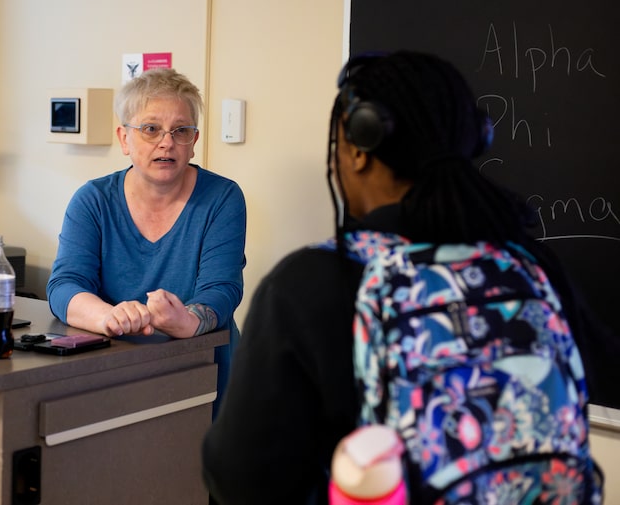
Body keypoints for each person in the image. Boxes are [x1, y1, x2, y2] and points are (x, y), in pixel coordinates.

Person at [201, 51, 615, 503]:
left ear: (358, 148)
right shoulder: (532, 264)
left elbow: (241, 477)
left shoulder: (311, 282)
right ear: (477, 138)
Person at [46, 68, 246, 413]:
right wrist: (108, 317)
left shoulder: (222, 198)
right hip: (116, 371)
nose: (166, 142)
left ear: (193, 142)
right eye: (151, 129)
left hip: (203, 369)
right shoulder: (92, 200)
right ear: (124, 139)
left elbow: (222, 288)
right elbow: (64, 285)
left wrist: (186, 320)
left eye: (181, 130)